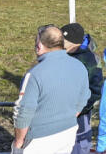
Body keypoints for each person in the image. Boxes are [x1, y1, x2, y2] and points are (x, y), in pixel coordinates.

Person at [13, 25, 90, 153]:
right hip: (68, 133)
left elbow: (24, 112)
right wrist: (69, 117)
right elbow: (84, 98)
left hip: (39, 139)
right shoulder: (80, 66)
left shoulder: (34, 75)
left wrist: (19, 142)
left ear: (40, 46)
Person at [62, 23, 103, 154]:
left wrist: (80, 110)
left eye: (63, 39)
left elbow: (95, 89)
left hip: (80, 115)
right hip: (62, 112)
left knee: (79, 145)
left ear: (71, 41)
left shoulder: (89, 59)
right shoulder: (63, 55)